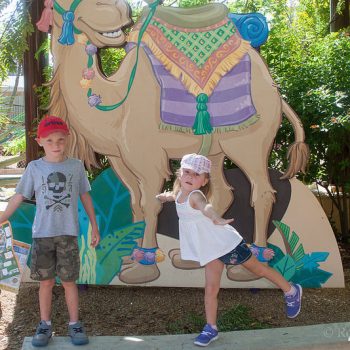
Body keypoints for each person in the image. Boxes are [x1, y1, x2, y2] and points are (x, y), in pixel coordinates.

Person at [156, 153, 302, 347]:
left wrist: (216, 218)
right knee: (210, 288)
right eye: (187, 172)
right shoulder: (181, 194)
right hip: (210, 250)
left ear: (204, 180)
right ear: (180, 174)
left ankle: (291, 290)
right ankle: (211, 328)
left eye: (197, 174)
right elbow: (174, 196)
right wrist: (165, 197)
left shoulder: (196, 195)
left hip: (226, 244)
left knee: (259, 269)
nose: (190, 176)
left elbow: (205, 207)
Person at [0, 115, 100, 347]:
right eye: (50, 140)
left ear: (67, 139)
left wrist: (95, 225)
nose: (56, 145)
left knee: (69, 282)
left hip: (68, 234)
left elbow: (85, 196)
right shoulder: (34, 168)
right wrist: (3, 217)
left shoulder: (75, 166)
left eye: (60, 140)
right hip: (42, 235)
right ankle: (44, 324)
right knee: (45, 283)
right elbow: (19, 196)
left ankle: (74, 324)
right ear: (40, 141)